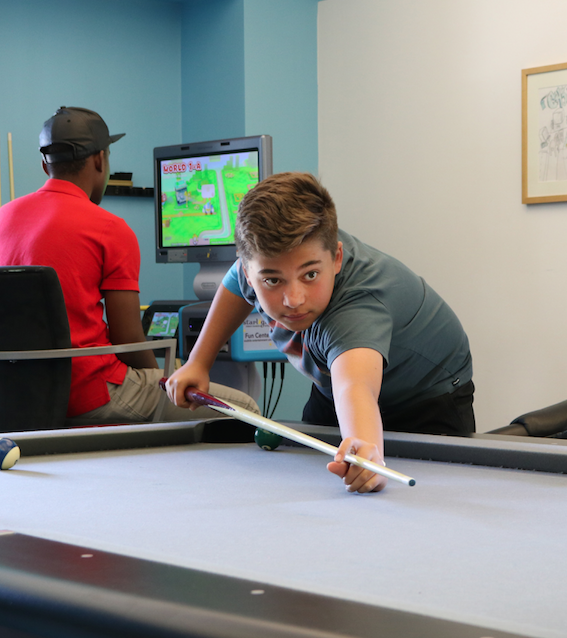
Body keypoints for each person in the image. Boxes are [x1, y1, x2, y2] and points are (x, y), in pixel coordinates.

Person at [165, 172, 474, 493]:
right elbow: (233, 284)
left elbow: (355, 385)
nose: (294, 299)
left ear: (336, 257)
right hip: (334, 385)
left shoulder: (355, 309)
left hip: (427, 394)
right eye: (272, 280)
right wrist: (198, 362)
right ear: (250, 272)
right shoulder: (258, 263)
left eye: (310, 274)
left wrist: (368, 454)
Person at [0, 106, 259, 424]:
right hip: (91, 394)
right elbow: (128, 341)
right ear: (100, 160)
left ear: (45, 165)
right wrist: (163, 380)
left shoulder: (3, 217)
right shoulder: (108, 228)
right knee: (244, 409)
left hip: (18, 396)